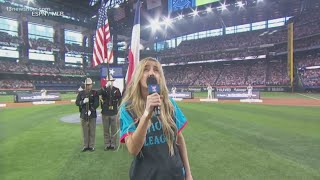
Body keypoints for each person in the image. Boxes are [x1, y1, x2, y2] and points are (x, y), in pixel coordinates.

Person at [119, 57, 193, 180]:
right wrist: (146, 114)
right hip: (145, 176)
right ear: (138, 75)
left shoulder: (169, 104)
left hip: (175, 175)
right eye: (146, 69)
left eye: (156, 70)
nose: (151, 73)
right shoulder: (127, 108)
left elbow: (179, 138)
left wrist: (188, 174)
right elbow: (133, 149)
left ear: (160, 77)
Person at [98, 75, 122, 150]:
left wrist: (119, 108)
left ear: (113, 81)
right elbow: (98, 93)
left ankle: (113, 144)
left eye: (111, 81)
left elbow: (120, 99)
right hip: (105, 112)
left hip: (114, 112)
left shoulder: (116, 90)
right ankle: (107, 144)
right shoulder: (103, 89)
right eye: (108, 81)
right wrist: (105, 87)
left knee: (114, 130)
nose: (110, 82)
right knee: (106, 130)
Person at [75, 78, 99, 152]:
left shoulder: (95, 93)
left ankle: (91, 146)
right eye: (87, 85)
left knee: (92, 131)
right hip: (83, 115)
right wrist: (83, 102)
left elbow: (96, 103)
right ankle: (85, 146)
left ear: (92, 85)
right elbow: (77, 102)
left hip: (92, 115)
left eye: (89, 85)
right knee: (85, 131)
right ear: (85, 85)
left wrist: (91, 110)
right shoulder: (81, 93)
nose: (88, 86)